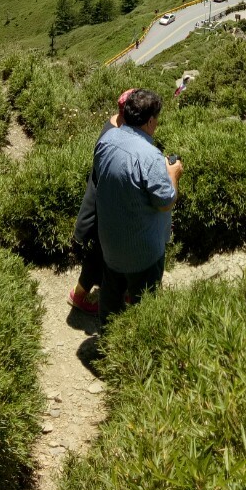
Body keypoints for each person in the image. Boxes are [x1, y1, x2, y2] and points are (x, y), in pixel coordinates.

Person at [92, 88, 182, 327]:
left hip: (110, 243)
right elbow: (165, 202)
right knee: (146, 307)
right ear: (151, 121)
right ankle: (141, 346)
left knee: (111, 296)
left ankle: (107, 340)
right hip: (143, 252)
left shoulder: (106, 140)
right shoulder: (150, 156)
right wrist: (173, 174)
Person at [67, 89, 133, 315]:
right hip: (103, 207)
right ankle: (79, 296)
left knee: (103, 252)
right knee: (99, 255)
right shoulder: (115, 136)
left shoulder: (112, 125)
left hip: (101, 204)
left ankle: (115, 290)